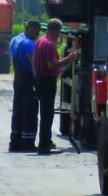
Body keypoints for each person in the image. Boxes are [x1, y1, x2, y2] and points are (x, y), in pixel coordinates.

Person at [32, 18, 79, 156]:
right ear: (57, 31)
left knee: (44, 113)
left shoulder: (39, 41)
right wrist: (69, 58)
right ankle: (44, 145)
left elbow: (34, 61)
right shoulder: (49, 44)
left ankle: (45, 142)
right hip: (47, 80)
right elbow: (51, 64)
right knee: (47, 114)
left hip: (40, 79)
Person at [8, 19, 41, 152]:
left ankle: (15, 141)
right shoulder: (28, 43)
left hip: (18, 79)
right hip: (28, 79)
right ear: (32, 29)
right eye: (37, 31)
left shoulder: (15, 40)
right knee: (30, 111)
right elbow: (33, 63)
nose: (37, 34)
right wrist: (37, 81)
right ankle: (27, 143)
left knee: (18, 110)